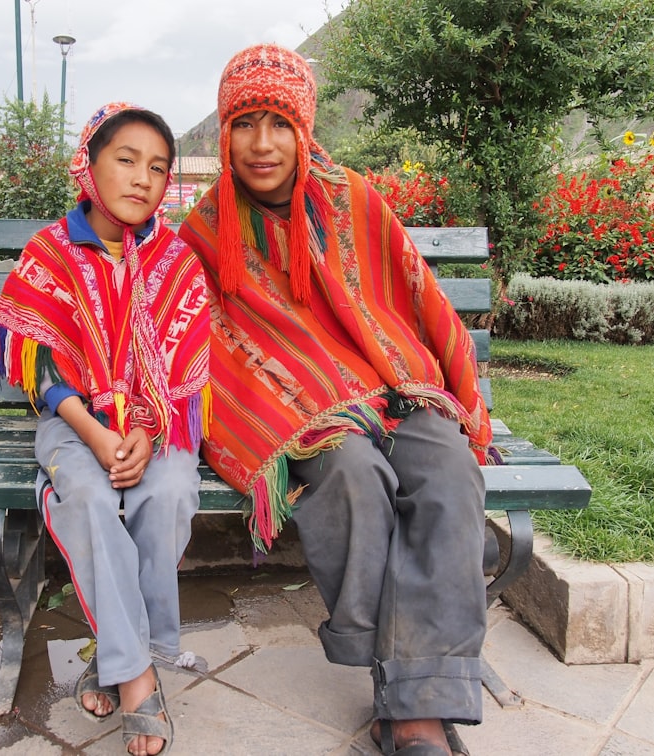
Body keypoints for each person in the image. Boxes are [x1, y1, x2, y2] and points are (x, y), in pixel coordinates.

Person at [178, 44, 501, 756]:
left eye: (279, 123)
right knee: (351, 475)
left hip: (395, 387)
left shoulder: (352, 197)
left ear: (306, 128)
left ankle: (411, 681)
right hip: (304, 413)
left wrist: (458, 399)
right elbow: (208, 345)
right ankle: (415, 709)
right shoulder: (207, 228)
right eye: (244, 123)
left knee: (449, 470)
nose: (262, 144)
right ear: (223, 131)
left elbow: (415, 297)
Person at [0, 102, 210, 756]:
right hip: (75, 424)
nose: (143, 178)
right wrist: (95, 432)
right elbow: (42, 370)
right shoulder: (51, 253)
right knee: (85, 497)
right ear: (90, 163)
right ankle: (139, 676)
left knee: (169, 495)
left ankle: (112, 657)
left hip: (156, 425)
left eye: (158, 167)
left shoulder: (175, 260)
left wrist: (144, 432)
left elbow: (179, 375)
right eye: (126, 159)